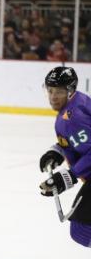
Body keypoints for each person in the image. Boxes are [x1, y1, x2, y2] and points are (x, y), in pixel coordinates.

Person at [39, 67, 91, 248]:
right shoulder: (77, 102)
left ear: (70, 91)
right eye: (50, 90)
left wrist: (71, 175)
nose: (53, 96)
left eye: (59, 91)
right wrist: (58, 151)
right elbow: (78, 142)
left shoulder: (72, 117)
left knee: (82, 229)